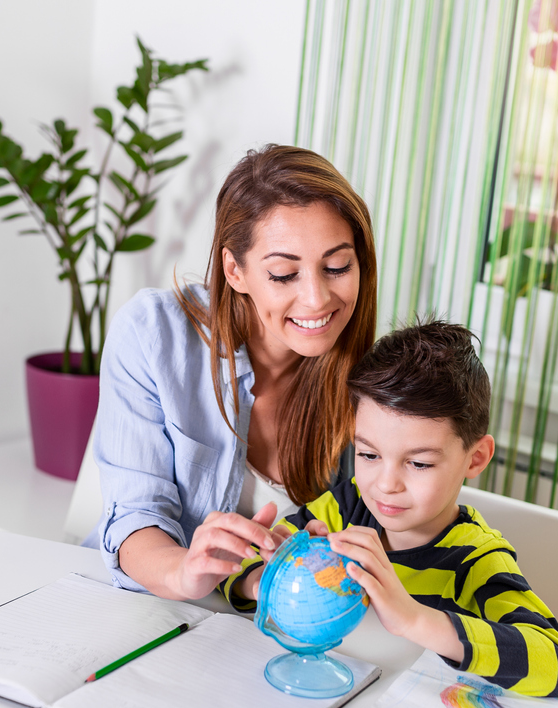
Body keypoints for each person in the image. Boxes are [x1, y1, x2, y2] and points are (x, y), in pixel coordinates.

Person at [83, 145, 378, 600]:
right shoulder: (153, 334)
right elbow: (135, 518)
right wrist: (186, 571)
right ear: (234, 270)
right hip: (139, 608)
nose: (317, 299)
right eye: (284, 274)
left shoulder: (369, 383)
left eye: (337, 266)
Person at [220, 321, 558, 696]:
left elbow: (554, 663)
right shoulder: (344, 508)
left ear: (476, 458)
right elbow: (239, 569)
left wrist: (413, 618)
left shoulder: (476, 559)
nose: (386, 484)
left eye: (418, 463)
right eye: (369, 454)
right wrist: (268, 576)